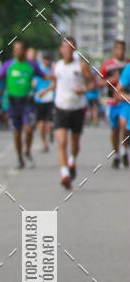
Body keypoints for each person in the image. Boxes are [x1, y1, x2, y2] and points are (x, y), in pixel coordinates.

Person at [39, 35, 96, 189]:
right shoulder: (56, 66)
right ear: (61, 49)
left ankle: (72, 161)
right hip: (60, 107)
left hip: (77, 108)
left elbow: (93, 83)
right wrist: (44, 91)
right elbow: (57, 83)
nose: (68, 50)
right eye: (65, 47)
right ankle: (64, 174)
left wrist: (84, 90)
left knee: (75, 142)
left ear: (75, 49)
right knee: (62, 142)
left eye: (71, 47)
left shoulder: (82, 66)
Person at [0, 40, 45, 169]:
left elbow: (44, 76)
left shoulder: (32, 65)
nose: (17, 52)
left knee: (28, 129)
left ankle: (27, 151)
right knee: (17, 133)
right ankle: (19, 158)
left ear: (24, 51)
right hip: (13, 103)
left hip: (28, 103)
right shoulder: (8, 65)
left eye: (19, 49)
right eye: (15, 49)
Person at [99, 40, 128, 168]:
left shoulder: (128, 64)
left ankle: (124, 151)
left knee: (125, 125)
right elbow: (99, 82)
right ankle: (116, 154)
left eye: (123, 49)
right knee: (115, 129)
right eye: (118, 49)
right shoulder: (107, 65)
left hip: (125, 101)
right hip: (112, 101)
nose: (120, 52)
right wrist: (111, 80)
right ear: (114, 50)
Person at [33, 53, 55, 152]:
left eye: (48, 59)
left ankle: (51, 132)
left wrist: (45, 91)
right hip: (39, 99)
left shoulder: (53, 69)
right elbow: (33, 81)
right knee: (40, 124)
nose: (47, 61)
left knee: (50, 123)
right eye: (45, 59)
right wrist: (33, 85)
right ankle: (44, 143)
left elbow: (56, 83)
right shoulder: (38, 69)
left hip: (51, 98)